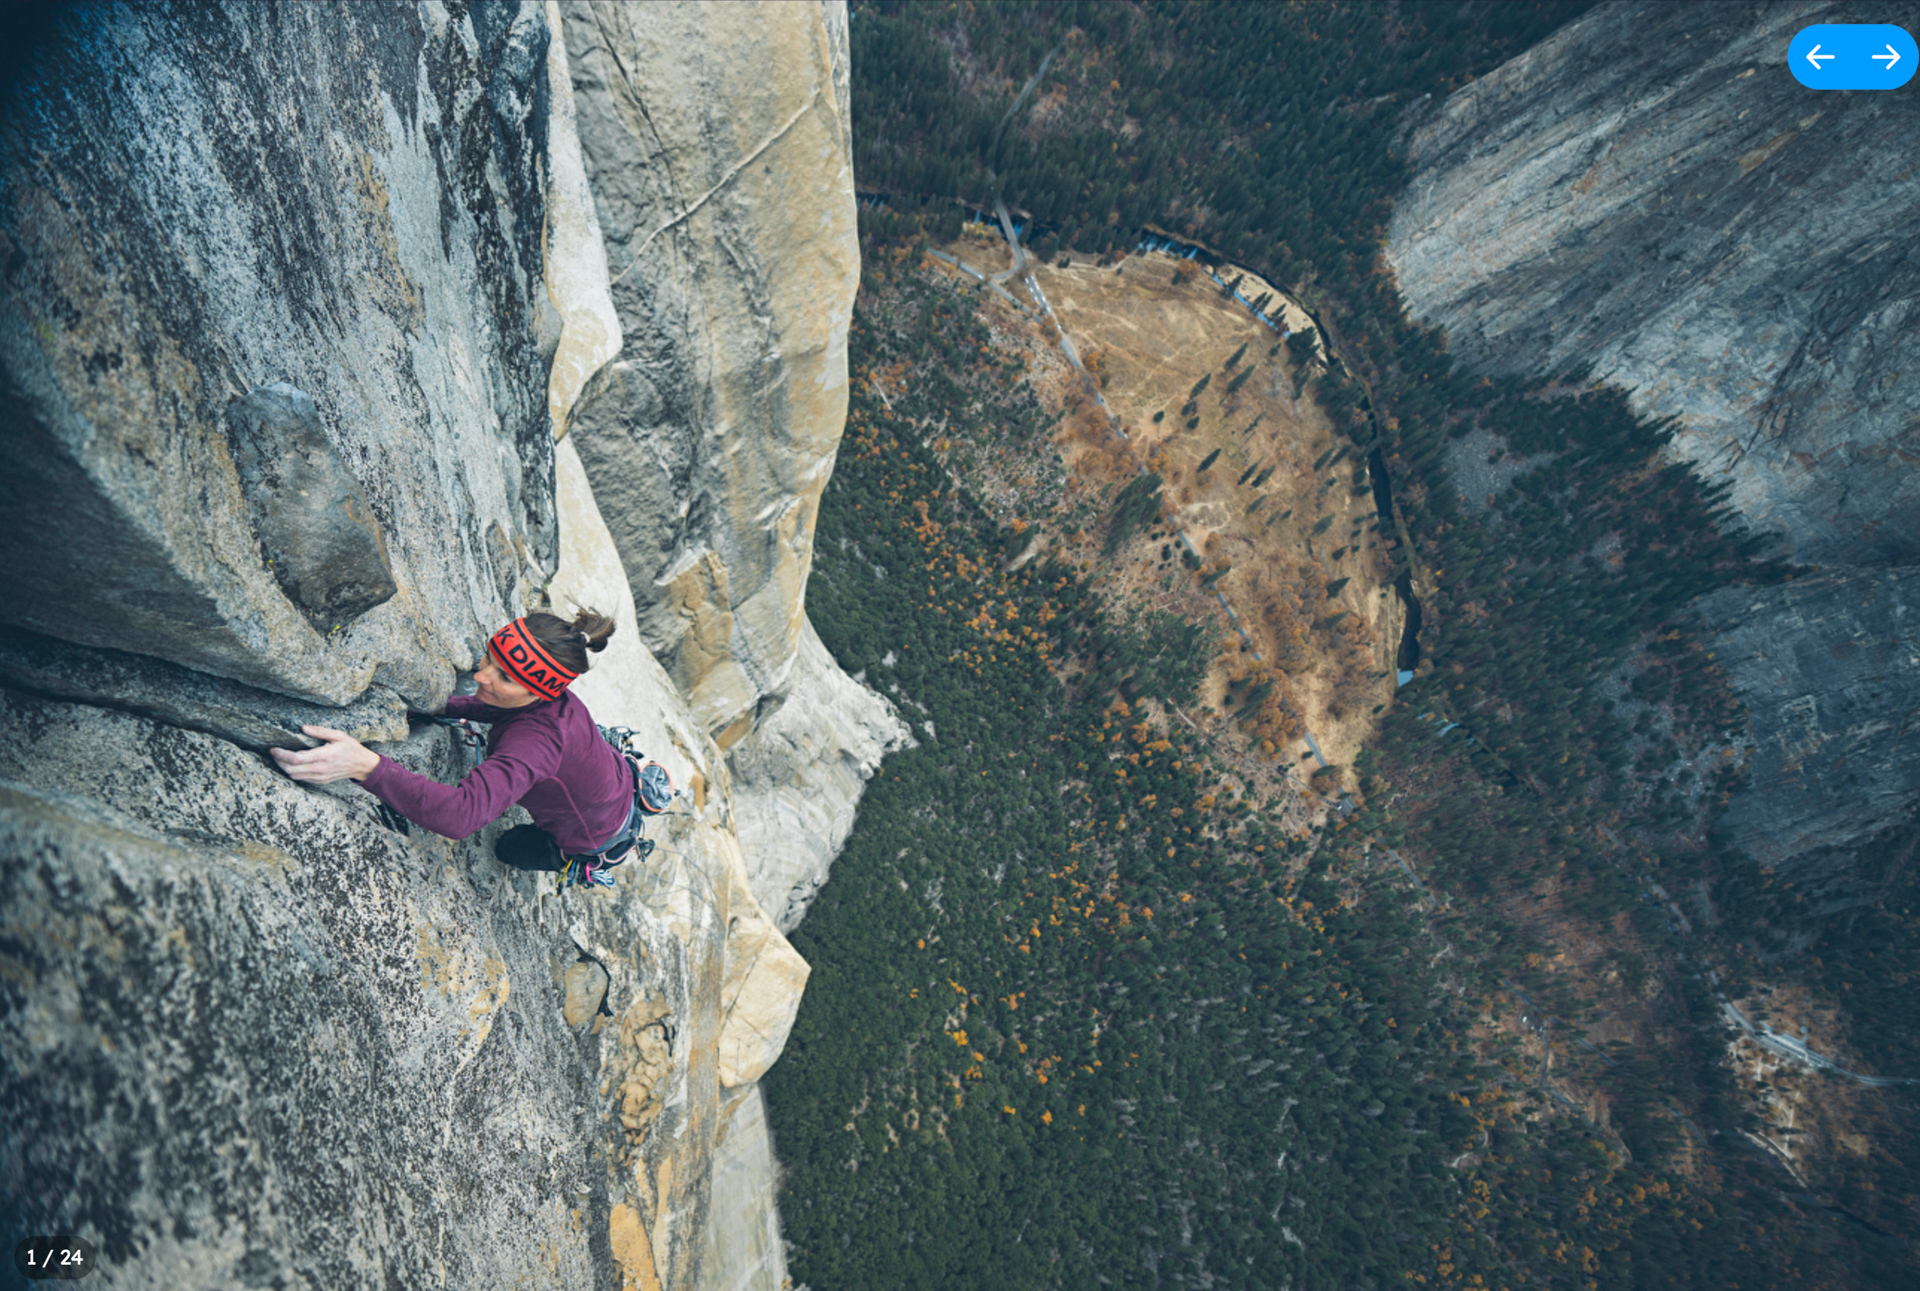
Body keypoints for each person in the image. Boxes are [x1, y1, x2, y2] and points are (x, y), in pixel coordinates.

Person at [271, 608, 647, 885]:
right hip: (611, 781)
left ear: (538, 691)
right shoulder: (554, 698)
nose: (480, 675)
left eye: (504, 677)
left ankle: (578, 857)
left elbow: (459, 817)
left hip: (597, 835)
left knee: (508, 847)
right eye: (489, 657)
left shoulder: (535, 743)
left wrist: (366, 766)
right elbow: (499, 708)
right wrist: (435, 705)